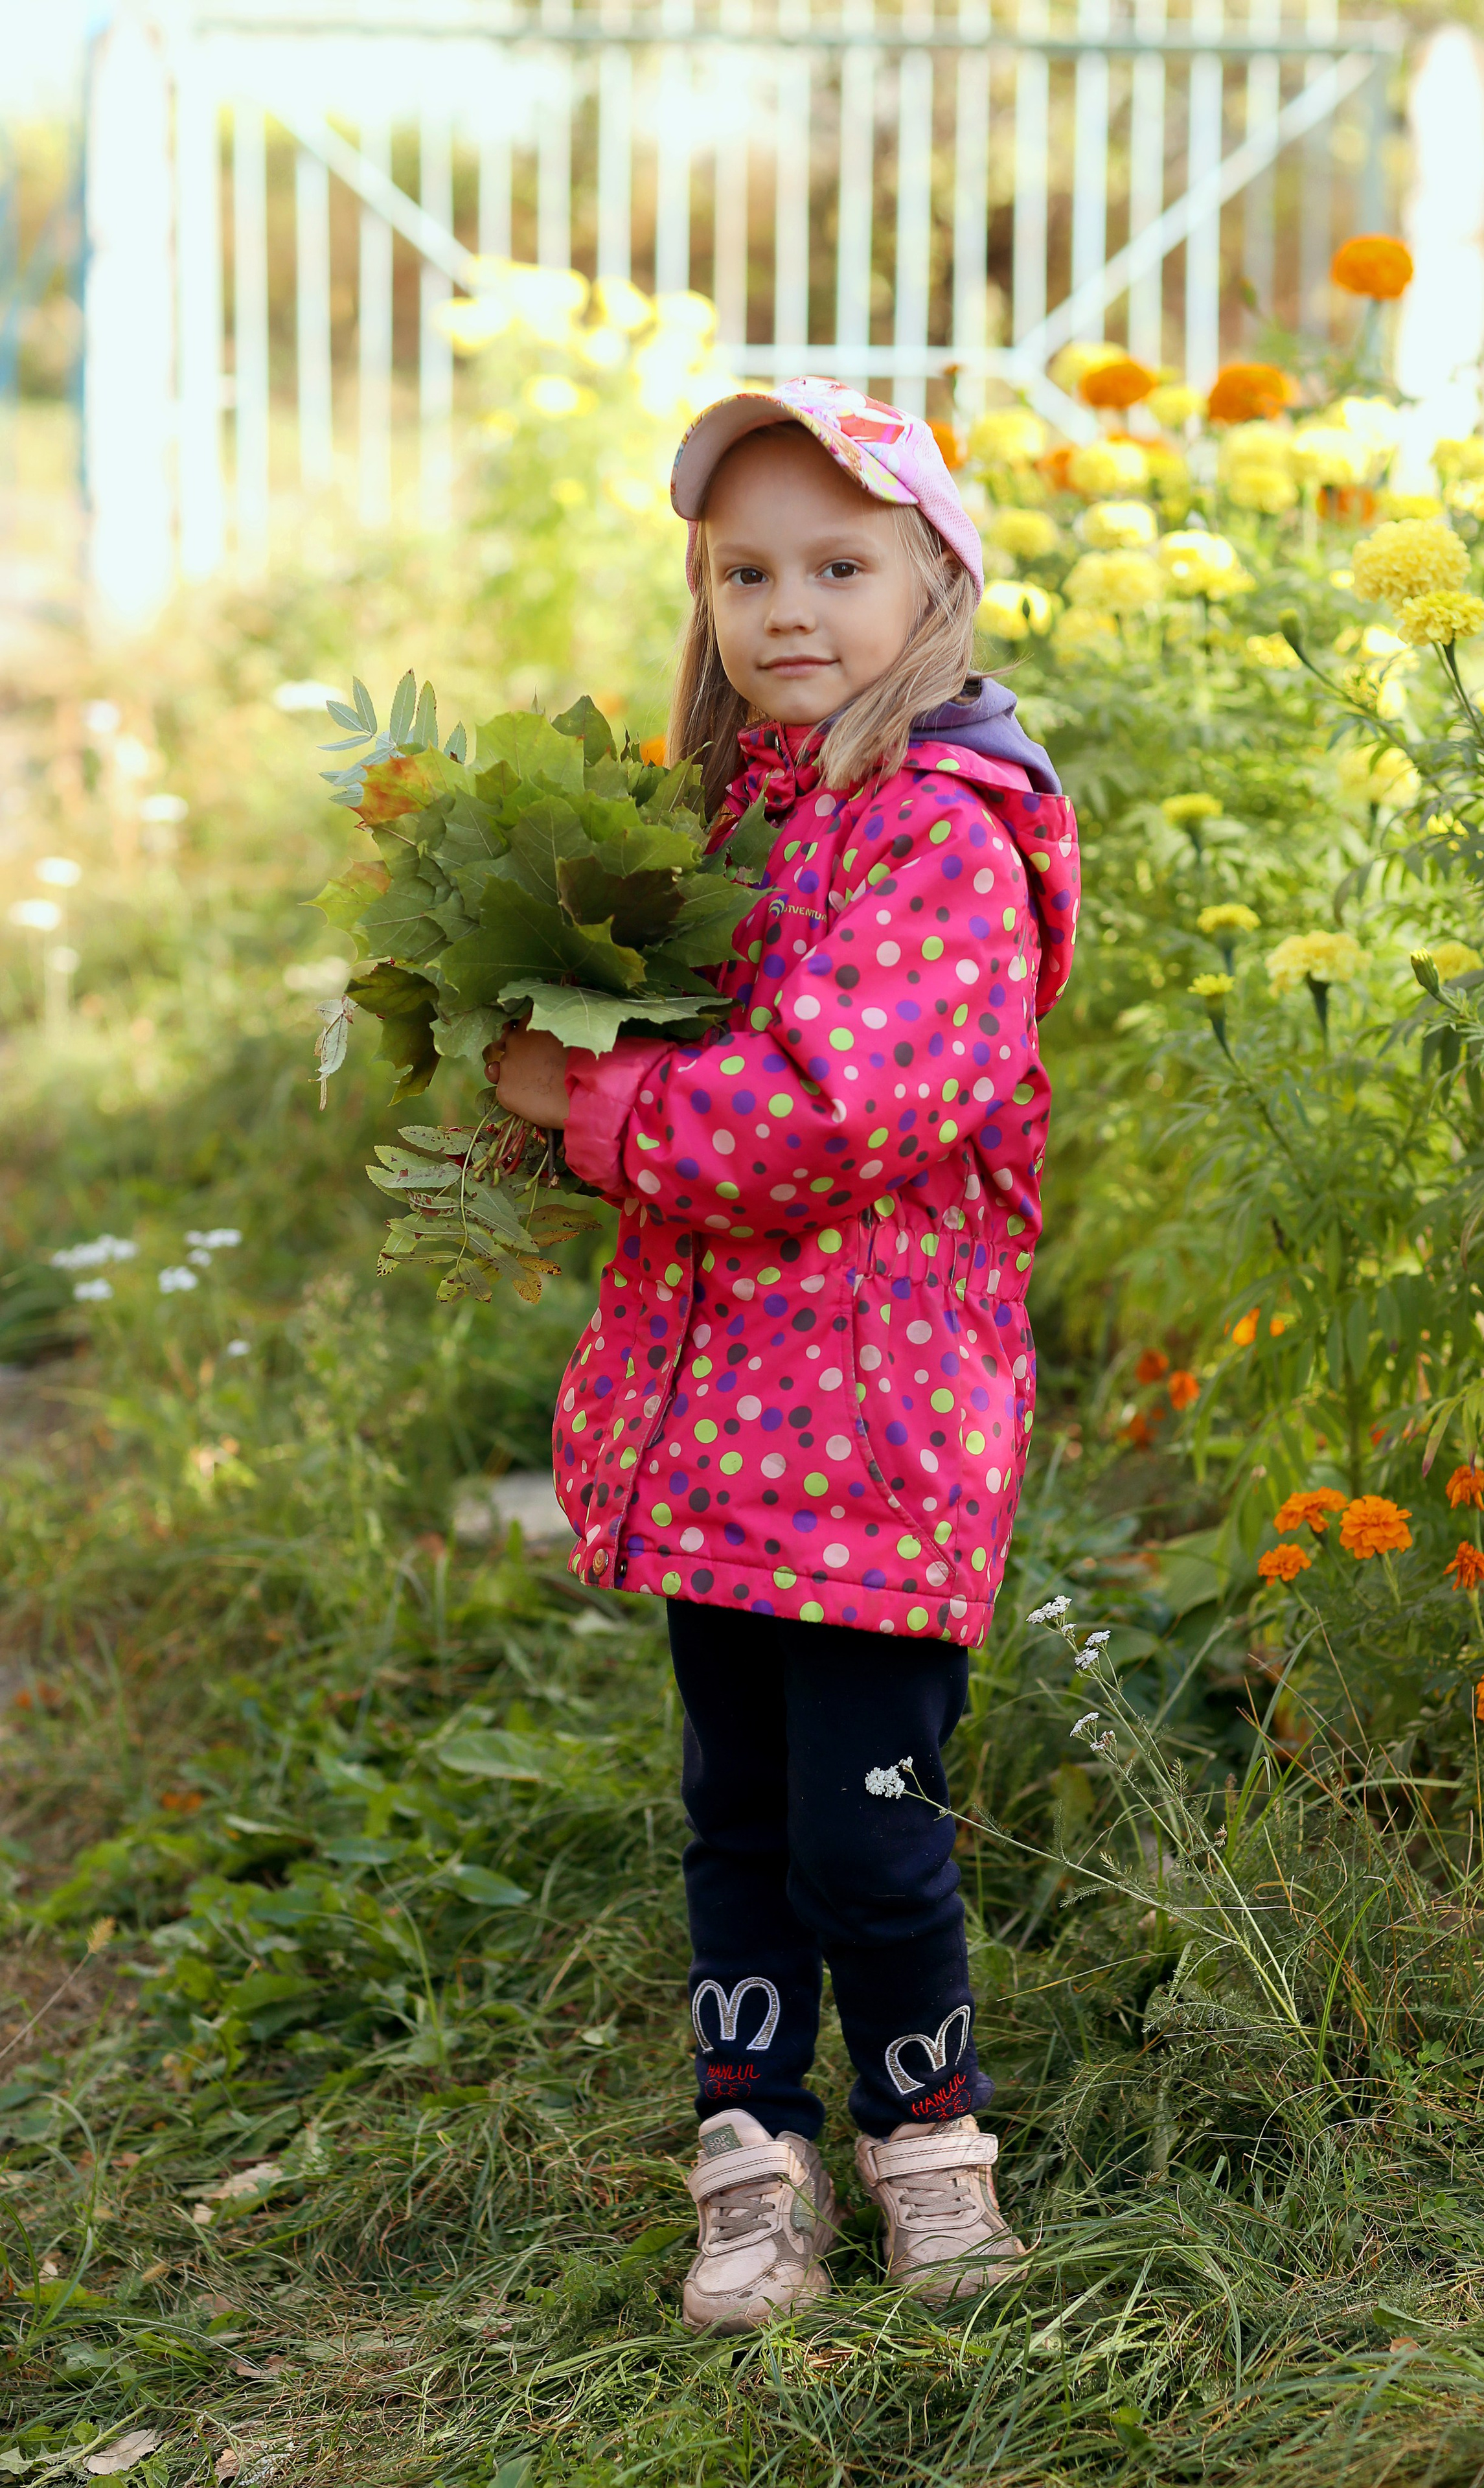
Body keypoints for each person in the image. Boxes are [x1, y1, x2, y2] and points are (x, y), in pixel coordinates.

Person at [486, 378, 1077, 2332]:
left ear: (938, 581)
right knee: (735, 1815)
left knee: (873, 1831)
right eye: (746, 570)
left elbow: (835, 1108)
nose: (788, 609)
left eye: (839, 564)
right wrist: (542, 1015)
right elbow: (674, 1054)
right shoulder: (733, 811)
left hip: (879, 1451)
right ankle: (756, 2152)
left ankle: (936, 2150)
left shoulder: (948, 835)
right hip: (719, 1439)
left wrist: (595, 1108)